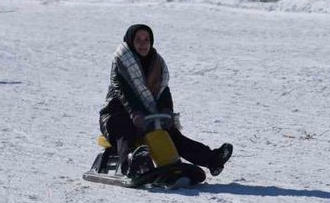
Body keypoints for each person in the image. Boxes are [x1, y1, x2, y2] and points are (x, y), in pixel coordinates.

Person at [98, 24, 232, 177]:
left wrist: (166, 110)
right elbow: (123, 91)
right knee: (125, 131)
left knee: (172, 135)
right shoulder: (121, 64)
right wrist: (134, 112)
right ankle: (130, 164)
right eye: (138, 40)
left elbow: (163, 90)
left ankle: (212, 159)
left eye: (147, 39)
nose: (143, 44)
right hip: (116, 114)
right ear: (130, 42)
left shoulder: (156, 63)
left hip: (147, 116)